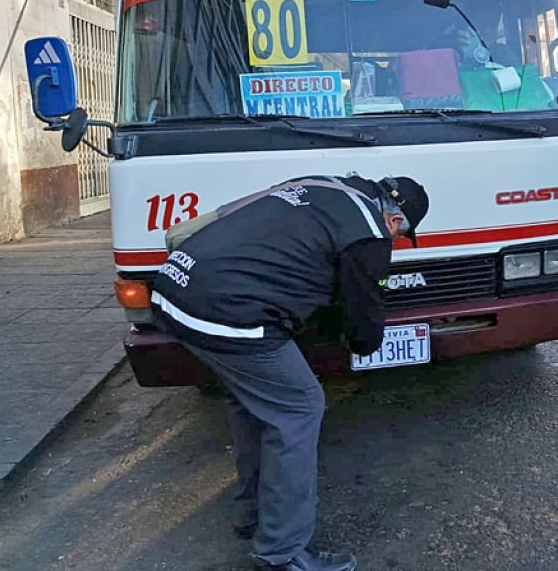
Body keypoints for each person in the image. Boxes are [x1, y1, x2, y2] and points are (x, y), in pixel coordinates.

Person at [150, 174, 430, 571]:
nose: (395, 242)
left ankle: (251, 515)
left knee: (251, 402)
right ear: (395, 220)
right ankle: (282, 553)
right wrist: (360, 345)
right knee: (300, 408)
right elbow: (363, 323)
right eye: (400, 236)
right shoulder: (369, 233)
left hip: (174, 290)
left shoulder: (321, 185)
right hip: (226, 312)